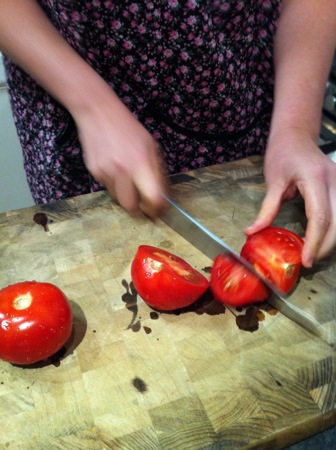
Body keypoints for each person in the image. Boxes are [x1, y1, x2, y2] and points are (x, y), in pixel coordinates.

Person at [0, 0, 336, 269]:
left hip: (245, 92)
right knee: (85, 262)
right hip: (68, 82)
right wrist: (91, 105)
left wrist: (295, 128)